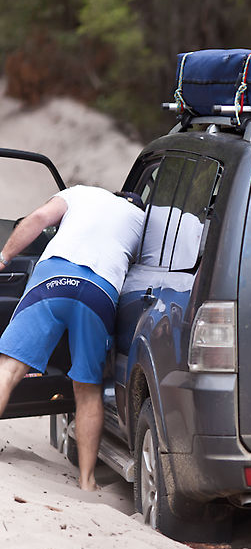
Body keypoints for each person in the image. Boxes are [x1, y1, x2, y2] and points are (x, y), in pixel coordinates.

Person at [0, 185, 145, 491]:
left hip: (52, 277)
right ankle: (87, 482)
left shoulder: (81, 193)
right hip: (98, 291)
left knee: (9, 369)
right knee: (87, 389)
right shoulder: (142, 219)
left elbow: (38, 218)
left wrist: (4, 256)